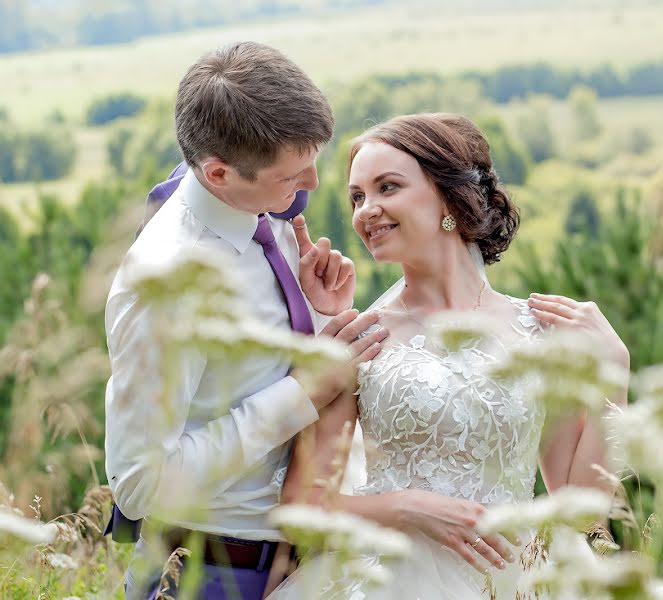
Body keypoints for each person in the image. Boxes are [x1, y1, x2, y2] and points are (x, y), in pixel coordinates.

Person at [268, 113, 629, 599]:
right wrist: (405, 507)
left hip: (510, 581)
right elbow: (303, 507)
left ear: (448, 197)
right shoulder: (362, 338)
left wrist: (613, 375)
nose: (366, 210)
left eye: (387, 187)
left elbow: (578, 511)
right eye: (357, 197)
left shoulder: (536, 335)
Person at [104, 41, 386, 600]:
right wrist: (301, 393)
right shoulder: (169, 283)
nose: (313, 184)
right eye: (292, 175)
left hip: (298, 567)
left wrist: (308, 310)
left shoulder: (255, 205)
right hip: (209, 573)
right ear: (218, 173)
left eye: (314, 159)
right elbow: (140, 487)